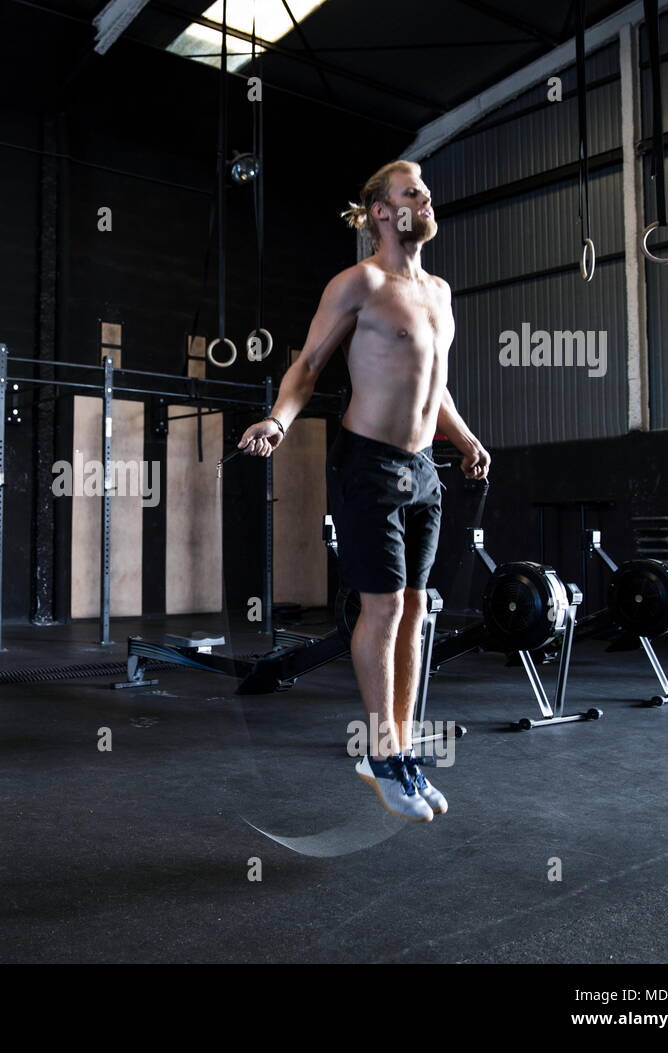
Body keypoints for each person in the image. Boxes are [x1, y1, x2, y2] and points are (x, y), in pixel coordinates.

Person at [237, 160, 490, 822]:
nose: (426, 197)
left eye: (426, 189)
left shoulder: (439, 291)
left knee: (413, 607)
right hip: (370, 465)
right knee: (380, 610)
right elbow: (309, 365)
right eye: (412, 191)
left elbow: (434, 384)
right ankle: (381, 755)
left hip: (424, 470)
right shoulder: (360, 283)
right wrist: (277, 420)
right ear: (383, 211)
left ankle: (399, 748)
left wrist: (463, 439)